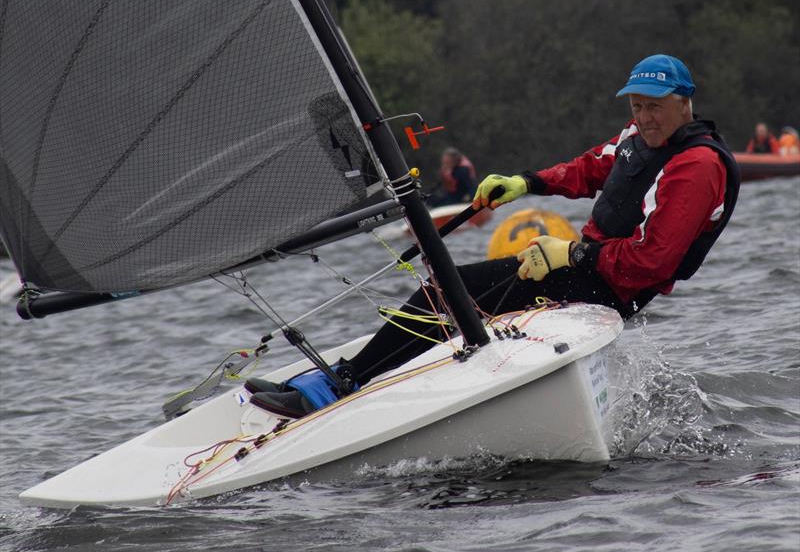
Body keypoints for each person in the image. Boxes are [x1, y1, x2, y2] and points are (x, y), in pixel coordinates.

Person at [247, 54, 740, 418]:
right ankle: (366, 380)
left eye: (654, 107)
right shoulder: (637, 135)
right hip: (584, 268)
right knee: (455, 297)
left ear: (684, 104)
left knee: (445, 289)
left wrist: (568, 253)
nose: (644, 117)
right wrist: (526, 182)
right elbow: (593, 168)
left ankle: (341, 386)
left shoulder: (696, 166)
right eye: (637, 106)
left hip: (609, 286)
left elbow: (651, 263)